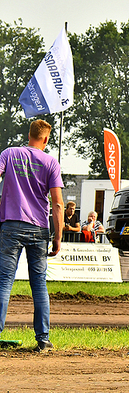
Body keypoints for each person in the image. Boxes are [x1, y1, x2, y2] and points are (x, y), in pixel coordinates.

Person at [0, 119, 64, 352]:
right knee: (39, 284)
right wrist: (58, 236)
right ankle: (43, 339)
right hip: (39, 229)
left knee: (4, 282)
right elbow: (57, 204)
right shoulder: (51, 163)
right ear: (46, 139)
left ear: (29, 135)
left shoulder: (9, 153)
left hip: (11, 226)